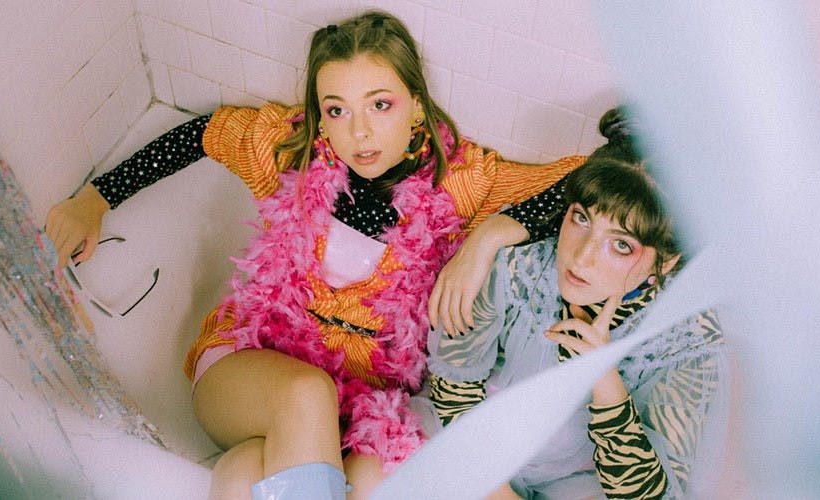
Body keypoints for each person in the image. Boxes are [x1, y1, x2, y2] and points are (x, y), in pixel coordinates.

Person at [44, 10, 585, 499]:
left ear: (417, 105)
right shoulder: (289, 152)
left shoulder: (462, 183)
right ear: (320, 117)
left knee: (242, 476)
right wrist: (96, 199)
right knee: (306, 393)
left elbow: (589, 182)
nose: (360, 131)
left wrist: (488, 237)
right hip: (246, 371)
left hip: (355, 412)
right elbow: (204, 133)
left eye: (380, 104)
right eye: (337, 110)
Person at [418, 108, 729, 499]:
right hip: (471, 448)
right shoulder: (519, 266)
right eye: (581, 219)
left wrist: (607, 384)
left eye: (621, 245)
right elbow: (454, 388)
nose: (581, 259)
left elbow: (649, 496)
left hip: (577, 481)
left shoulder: (688, 340)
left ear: (665, 261)